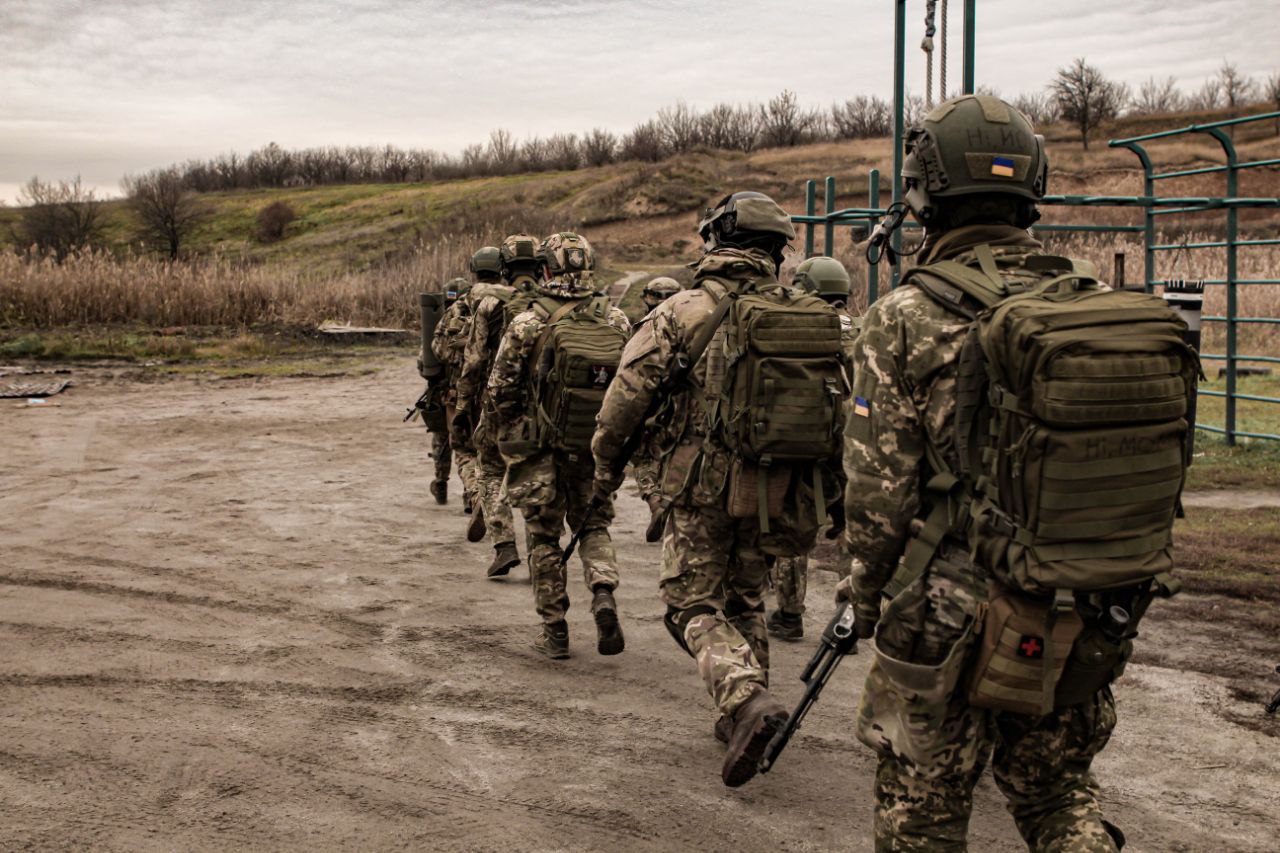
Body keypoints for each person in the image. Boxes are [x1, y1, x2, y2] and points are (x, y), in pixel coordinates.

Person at [844, 94, 1193, 850]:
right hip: (1088, 598)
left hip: (950, 611)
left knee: (923, 813)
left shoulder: (902, 316)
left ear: (922, 193)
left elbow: (877, 498)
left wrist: (869, 603)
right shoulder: (1095, 301)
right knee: (1058, 794)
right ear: (1033, 184)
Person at [592, 191, 846, 787]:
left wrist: (606, 463)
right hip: (780, 486)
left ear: (715, 241)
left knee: (689, 604)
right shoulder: (813, 314)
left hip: (702, 488)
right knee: (746, 599)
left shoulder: (680, 310)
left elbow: (625, 398)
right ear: (777, 252)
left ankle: (743, 698)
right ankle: (745, 718)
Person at [487, 232, 630, 659]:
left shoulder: (528, 322)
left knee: (544, 536)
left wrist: (504, 435)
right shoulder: (617, 320)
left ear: (546, 269)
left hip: (541, 449)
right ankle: (603, 590)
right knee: (594, 526)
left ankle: (555, 630)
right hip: (594, 447)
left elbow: (500, 390)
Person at [766, 255, 860, 641]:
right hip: (855, 447)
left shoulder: (799, 325)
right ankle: (848, 618)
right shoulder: (863, 329)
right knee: (850, 532)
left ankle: (790, 615)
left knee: (794, 523)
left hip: (810, 440)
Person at [430, 276, 479, 512]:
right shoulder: (486, 312)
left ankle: (442, 483)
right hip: (481, 394)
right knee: (477, 445)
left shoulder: (447, 318)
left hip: (451, 393)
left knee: (447, 438)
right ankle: (472, 496)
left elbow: (433, 355)